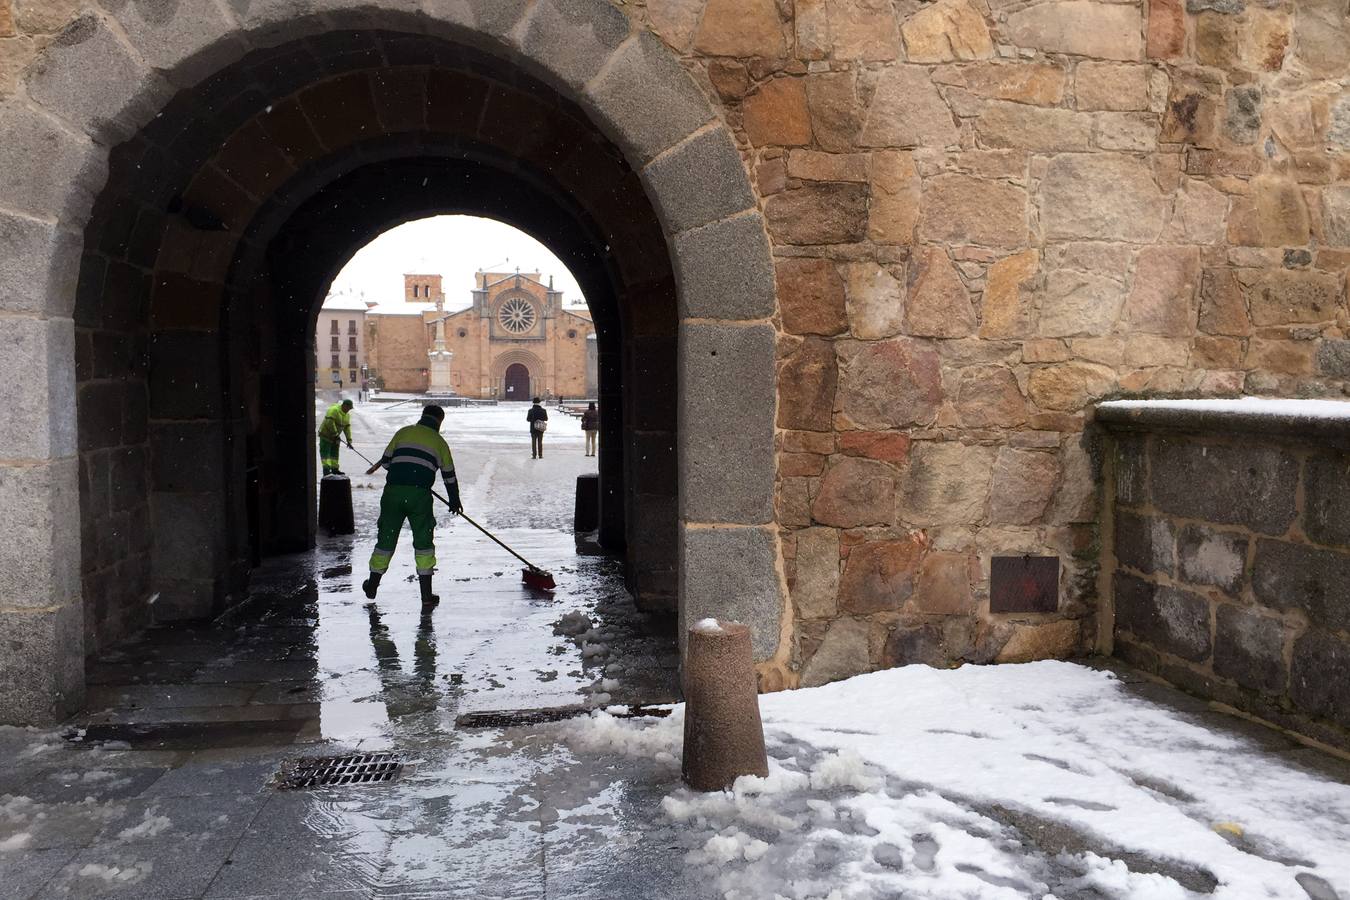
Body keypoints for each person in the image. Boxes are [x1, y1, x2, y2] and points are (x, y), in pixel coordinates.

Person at [361, 405, 462, 611]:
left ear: (422, 416)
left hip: (393, 493)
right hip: (419, 496)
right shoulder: (440, 442)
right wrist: (454, 500)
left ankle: (372, 585)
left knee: (386, 539)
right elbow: (449, 475)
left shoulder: (403, 432)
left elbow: (386, 462)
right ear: (439, 421)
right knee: (423, 543)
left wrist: (404, 471)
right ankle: (426, 596)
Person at [318, 398, 354, 475]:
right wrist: (336, 434)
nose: (349, 410)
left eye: (350, 409)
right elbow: (329, 422)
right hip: (326, 436)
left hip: (335, 437)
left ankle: (335, 469)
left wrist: (349, 441)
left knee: (334, 454)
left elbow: (347, 428)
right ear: (344, 405)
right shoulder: (334, 410)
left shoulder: (347, 415)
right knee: (326, 455)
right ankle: (326, 471)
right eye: (348, 408)